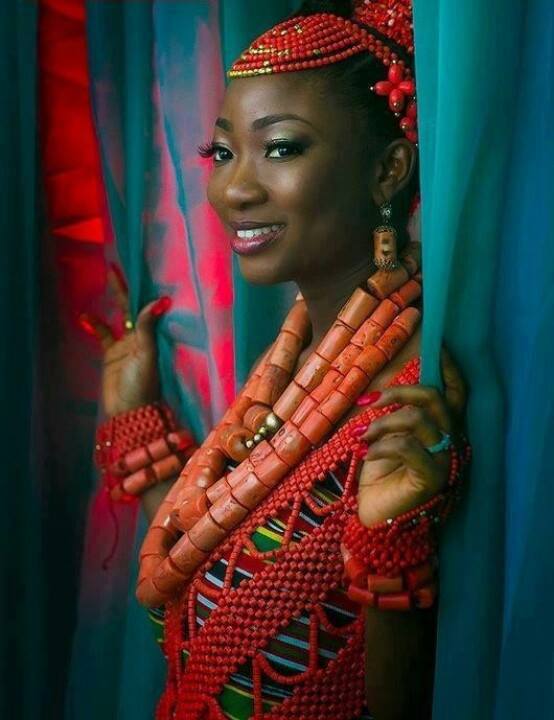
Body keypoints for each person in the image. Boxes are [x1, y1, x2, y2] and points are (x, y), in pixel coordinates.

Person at [83, 1, 471, 718]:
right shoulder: (297, 359)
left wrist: (391, 541)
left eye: (282, 148)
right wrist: (137, 419)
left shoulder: (408, 403)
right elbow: (213, 565)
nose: (234, 189)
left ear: (388, 170)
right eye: (222, 152)